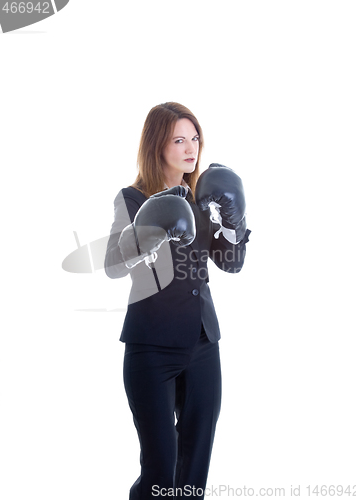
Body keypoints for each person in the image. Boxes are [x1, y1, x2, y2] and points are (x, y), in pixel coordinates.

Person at [104, 102, 251, 499]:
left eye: (195, 138)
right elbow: (113, 267)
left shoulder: (205, 195)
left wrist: (235, 223)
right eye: (179, 140)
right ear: (157, 145)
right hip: (151, 346)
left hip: (203, 344)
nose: (191, 148)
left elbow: (231, 263)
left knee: (195, 467)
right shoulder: (132, 198)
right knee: (159, 468)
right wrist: (146, 230)